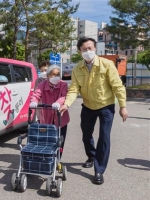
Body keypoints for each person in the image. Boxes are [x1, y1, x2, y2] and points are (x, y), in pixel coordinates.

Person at [59, 37, 128, 185]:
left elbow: (117, 86)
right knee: (86, 134)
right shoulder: (77, 68)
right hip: (88, 106)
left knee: (104, 137)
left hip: (106, 106)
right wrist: (67, 104)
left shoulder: (107, 64)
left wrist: (123, 106)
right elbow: (74, 89)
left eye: (90, 48)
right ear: (80, 51)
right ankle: (91, 155)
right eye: (84, 49)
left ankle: (99, 170)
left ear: (95, 48)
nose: (88, 51)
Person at [30, 64, 70, 160]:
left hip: (61, 117)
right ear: (48, 76)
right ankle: (47, 157)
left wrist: (58, 103)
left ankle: (58, 159)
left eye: (58, 74)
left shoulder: (63, 84)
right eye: (53, 74)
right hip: (47, 117)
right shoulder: (41, 85)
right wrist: (34, 102)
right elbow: (36, 94)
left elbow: (64, 96)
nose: (56, 77)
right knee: (46, 139)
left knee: (60, 140)